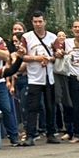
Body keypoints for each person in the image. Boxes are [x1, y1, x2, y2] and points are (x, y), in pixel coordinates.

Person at [20, 12, 65, 145]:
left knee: (50, 106)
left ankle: (51, 133)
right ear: (32, 22)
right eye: (35, 22)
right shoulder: (26, 37)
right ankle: (30, 135)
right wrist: (37, 58)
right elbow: (23, 56)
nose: (38, 24)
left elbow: (58, 54)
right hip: (34, 77)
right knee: (32, 107)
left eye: (40, 21)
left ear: (44, 22)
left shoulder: (52, 37)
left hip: (48, 76)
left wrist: (51, 57)